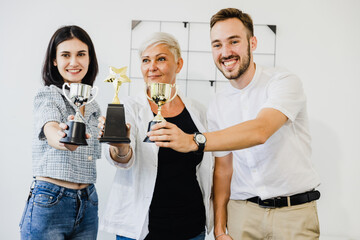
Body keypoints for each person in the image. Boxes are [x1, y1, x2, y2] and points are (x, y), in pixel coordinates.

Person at [148, 8, 321, 240]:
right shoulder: (218, 103)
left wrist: (194, 141)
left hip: (293, 214)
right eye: (217, 44)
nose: (225, 52)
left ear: (253, 42)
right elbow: (223, 170)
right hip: (242, 215)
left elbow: (260, 130)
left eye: (234, 41)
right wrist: (220, 228)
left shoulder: (283, 82)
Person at [98, 32, 213, 240]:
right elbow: (122, 159)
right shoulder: (128, 107)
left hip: (191, 227)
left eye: (161, 59)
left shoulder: (198, 111)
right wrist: (120, 146)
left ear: (178, 65)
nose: (152, 67)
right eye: (145, 60)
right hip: (141, 228)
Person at [19, 25, 101, 240]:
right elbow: (50, 128)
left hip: (89, 201)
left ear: (90, 59)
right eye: (65, 55)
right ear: (54, 61)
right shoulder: (48, 96)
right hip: (50, 200)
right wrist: (63, 138)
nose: (74, 62)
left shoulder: (94, 106)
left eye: (81, 54)